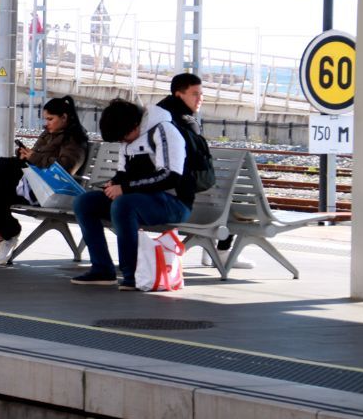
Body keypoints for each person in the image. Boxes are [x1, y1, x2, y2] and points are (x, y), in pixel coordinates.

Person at [71, 98, 192, 290]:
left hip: (173, 202)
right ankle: (102, 269)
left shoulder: (164, 131)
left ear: (135, 124)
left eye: (124, 137)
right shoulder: (128, 137)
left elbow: (171, 176)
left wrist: (125, 188)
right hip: (140, 199)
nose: (123, 141)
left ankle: (133, 274)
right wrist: (114, 183)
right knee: (84, 203)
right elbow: (123, 173)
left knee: (124, 204)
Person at [0, 96, 88, 265]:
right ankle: (4, 235)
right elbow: (37, 158)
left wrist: (34, 157)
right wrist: (26, 155)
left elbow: (65, 168)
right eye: (45, 119)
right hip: (27, 182)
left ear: (64, 117)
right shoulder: (48, 134)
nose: (47, 123)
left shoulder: (74, 139)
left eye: (50, 119)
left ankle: (8, 232)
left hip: (44, 191)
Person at [157, 73, 249, 270]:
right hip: (183, 201)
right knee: (236, 198)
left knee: (224, 195)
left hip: (161, 191)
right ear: (179, 94)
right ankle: (222, 252)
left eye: (201, 94)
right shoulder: (186, 122)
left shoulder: (157, 115)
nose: (200, 99)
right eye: (195, 94)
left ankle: (212, 253)